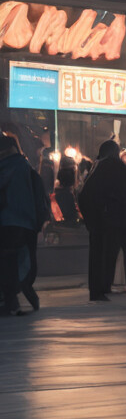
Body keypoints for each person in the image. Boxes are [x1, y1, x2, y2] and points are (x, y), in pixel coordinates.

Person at [76, 140, 126, 301]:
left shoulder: (96, 166)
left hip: (98, 217)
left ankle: (101, 288)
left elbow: (85, 195)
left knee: (103, 254)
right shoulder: (115, 165)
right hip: (112, 218)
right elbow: (123, 195)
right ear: (114, 152)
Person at [0, 132, 46, 314]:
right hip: (25, 222)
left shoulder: (11, 166)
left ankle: (13, 302)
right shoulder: (24, 165)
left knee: (9, 262)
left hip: (10, 221)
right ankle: (24, 297)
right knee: (21, 261)